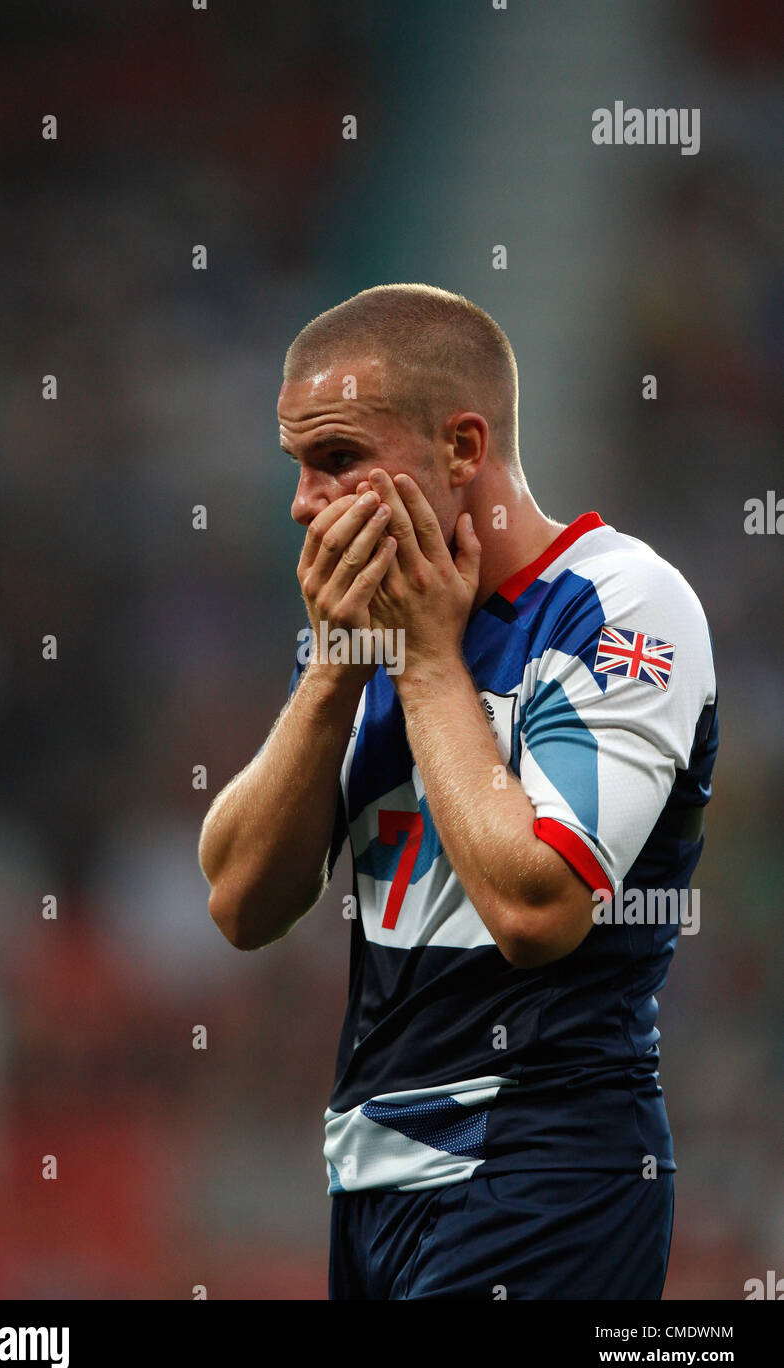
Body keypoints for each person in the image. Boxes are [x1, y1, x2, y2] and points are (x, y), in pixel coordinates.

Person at [198, 283, 718, 1300]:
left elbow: (536, 904)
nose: (305, 502)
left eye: (338, 458)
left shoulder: (618, 603)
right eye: (297, 466)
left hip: (542, 1172)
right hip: (368, 1179)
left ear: (462, 449)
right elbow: (239, 901)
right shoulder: (379, 622)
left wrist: (428, 663)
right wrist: (334, 668)